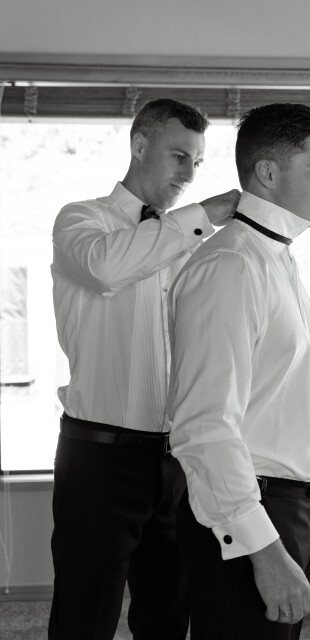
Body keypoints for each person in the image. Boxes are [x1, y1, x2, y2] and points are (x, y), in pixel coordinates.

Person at [49, 97, 240, 640]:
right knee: (85, 615)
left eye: (197, 162)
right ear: (139, 145)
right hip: (99, 458)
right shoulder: (82, 220)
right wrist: (205, 214)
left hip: (176, 461)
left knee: (168, 614)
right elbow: (107, 269)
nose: (189, 174)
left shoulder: (193, 245)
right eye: (179, 156)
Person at [167, 102, 310, 640]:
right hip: (251, 512)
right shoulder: (230, 265)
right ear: (268, 173)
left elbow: (278, 400)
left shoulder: (275, 258)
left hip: (284, 502)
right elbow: (205, 427)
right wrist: (265, 551)